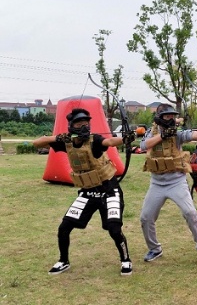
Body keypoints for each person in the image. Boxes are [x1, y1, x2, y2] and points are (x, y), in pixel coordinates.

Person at [33, 108, 135, 276]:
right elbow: (37, 143)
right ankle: (63, 261)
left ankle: (125, 260)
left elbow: (109, 142)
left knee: (114, 229)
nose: (84, 127)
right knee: (64, 227)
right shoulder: (67, 142)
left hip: (109, 191)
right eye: (79, 124)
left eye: (86, 123)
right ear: (71, 127)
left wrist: (125, 138)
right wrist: (59, 137)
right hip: (87, 192)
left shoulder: (95, 140)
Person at [139, 103, 197, 265]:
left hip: (176, 182)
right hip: (157, 183)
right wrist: (162, 135)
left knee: (190, 213)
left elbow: (191, 135)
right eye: (167, 116)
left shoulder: (177, 133)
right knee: (146, 217)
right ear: (159, 118)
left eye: (173, 116)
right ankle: (154, 249)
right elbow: (144, 145)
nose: (171, 119)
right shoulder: (151, 132)